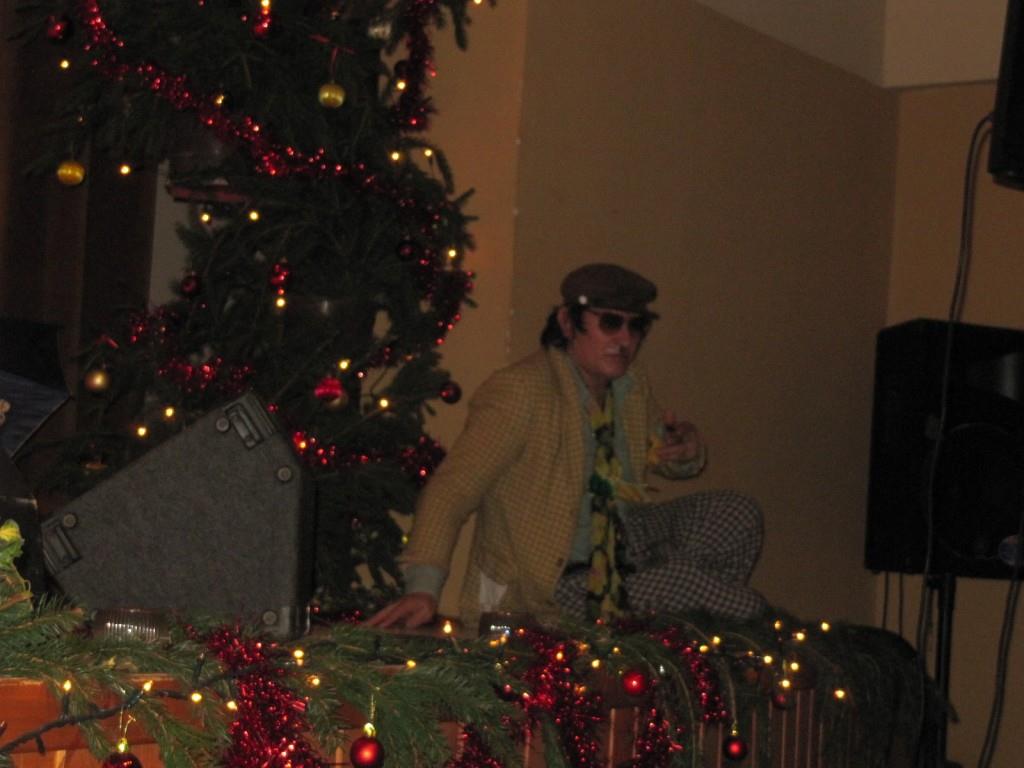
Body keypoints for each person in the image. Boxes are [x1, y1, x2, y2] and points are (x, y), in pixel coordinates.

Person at [367, 263, 767, 631]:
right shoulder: (522, 390)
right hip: (554, 585)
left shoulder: (630, 386)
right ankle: (698, 625)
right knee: (715, 596)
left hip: (625, 550)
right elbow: (452, 490)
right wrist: (423, 589)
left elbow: (661, 456)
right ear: (567, 322)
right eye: (610, 323)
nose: (625, 340)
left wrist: (686, 447)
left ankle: (657, 626)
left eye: (636, 326)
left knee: (737, 514)